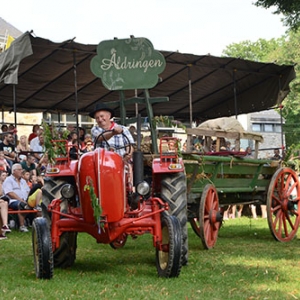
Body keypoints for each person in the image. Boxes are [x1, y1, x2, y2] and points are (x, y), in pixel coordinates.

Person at [2, 163, 30, 232]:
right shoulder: (8, 180)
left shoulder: (23, 181)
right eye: (19, 170)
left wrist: (28, 199)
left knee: (37, 205)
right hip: (13, 201)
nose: (21, 171)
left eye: (22, 170)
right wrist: (21, 200)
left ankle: (38, 225)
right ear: (14, 171)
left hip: (25, 200)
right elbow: (9, 193)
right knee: (21, 205)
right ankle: (22, 226)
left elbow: (28, 191)